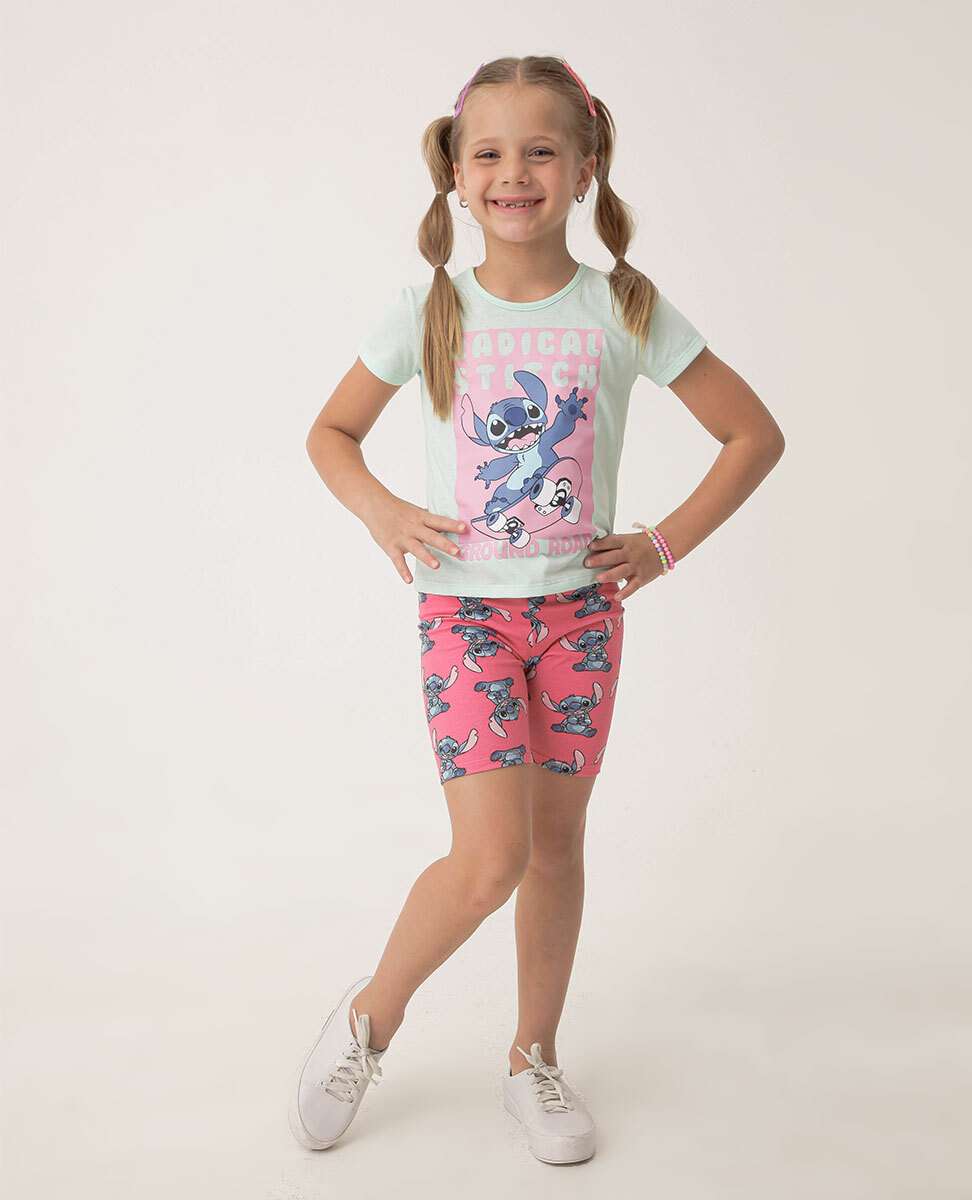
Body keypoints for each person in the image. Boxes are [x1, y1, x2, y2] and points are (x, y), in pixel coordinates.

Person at [292, 55, 785, 1164]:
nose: (513, 172)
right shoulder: (429, 308)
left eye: (540, 151)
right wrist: (382, 514)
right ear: (456, 175)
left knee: (555, 848)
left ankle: (533, 1059)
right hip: (465, 618)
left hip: (581, 619)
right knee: (489, 861)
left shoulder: (623, 308)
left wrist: (661, 545)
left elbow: (752, 434)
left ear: (584, 167)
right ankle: (370, 1019)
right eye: (490, 153)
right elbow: (330, 434)